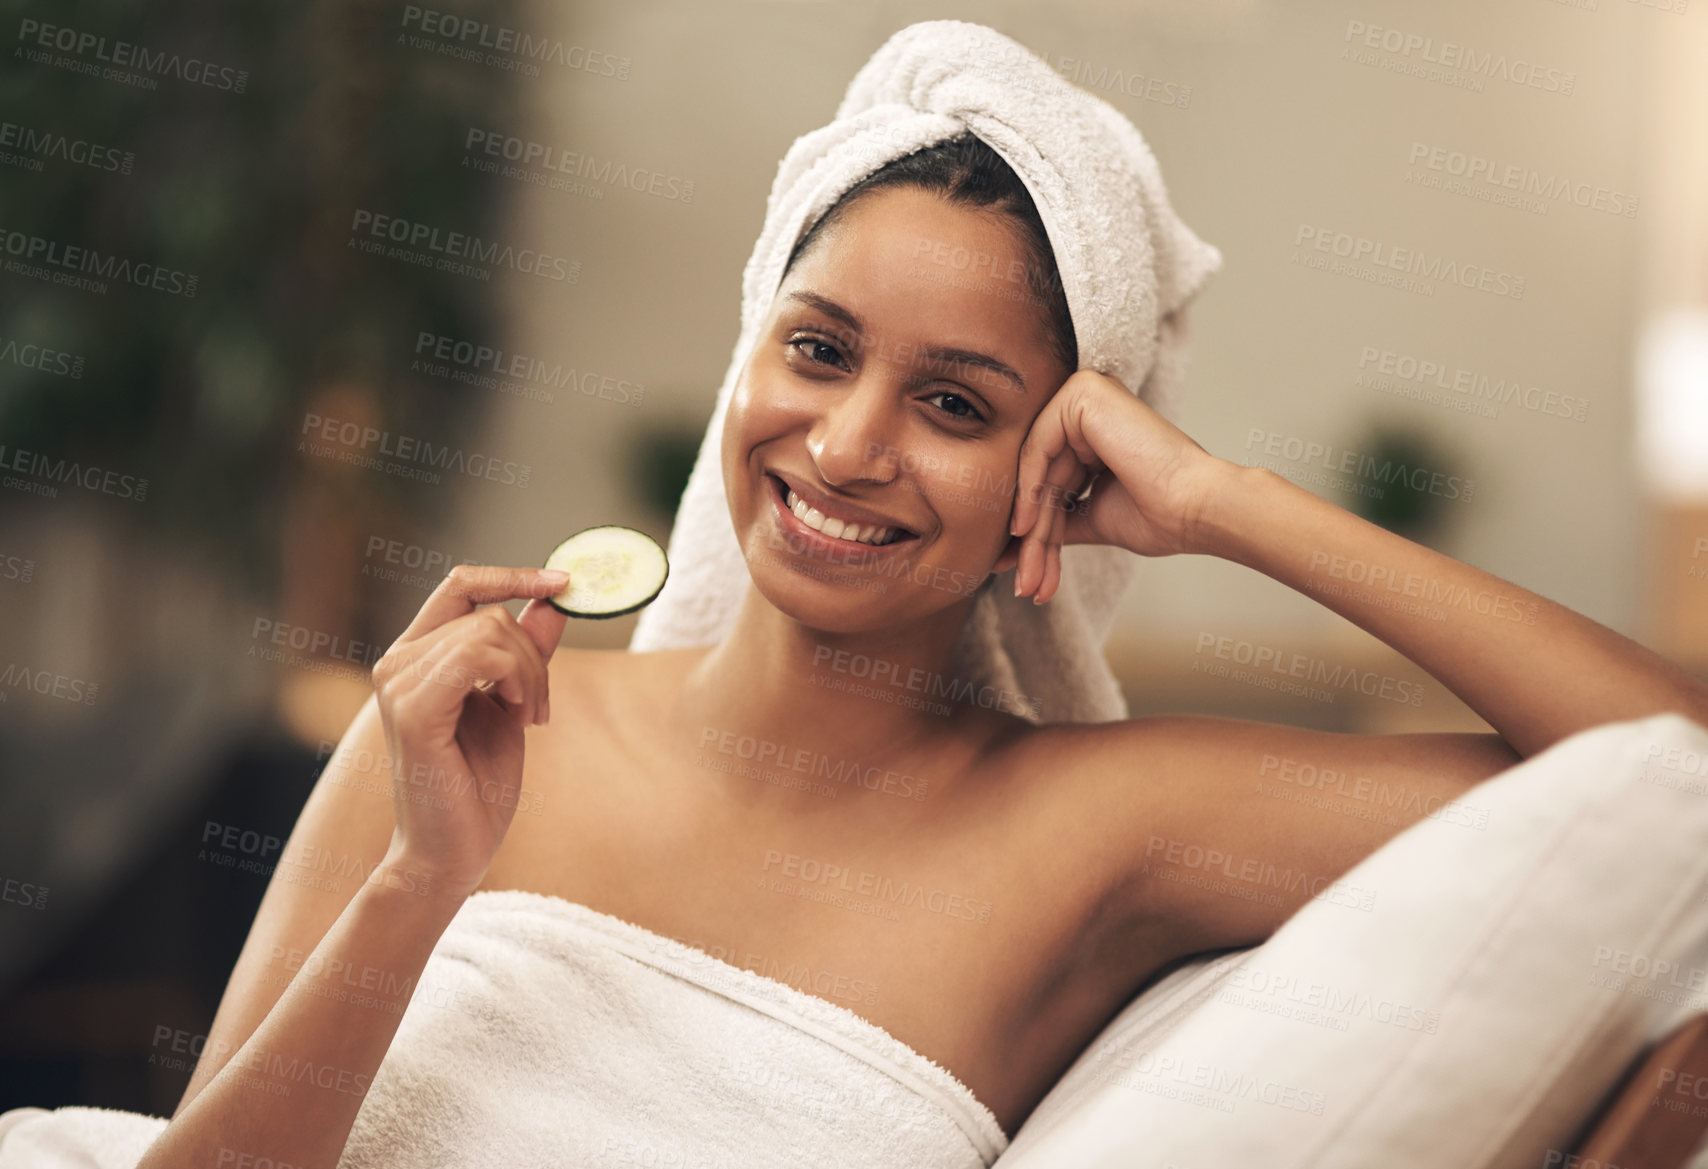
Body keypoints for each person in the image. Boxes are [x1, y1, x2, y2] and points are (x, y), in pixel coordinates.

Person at [136, 86, 1708, 1169]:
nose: (843, 446)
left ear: (1062, 462)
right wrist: (420, 882)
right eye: (816, 350)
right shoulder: (461, 740)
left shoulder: (1098, 830)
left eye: (955, 402)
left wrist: (1226, 501)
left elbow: (1669, 777)